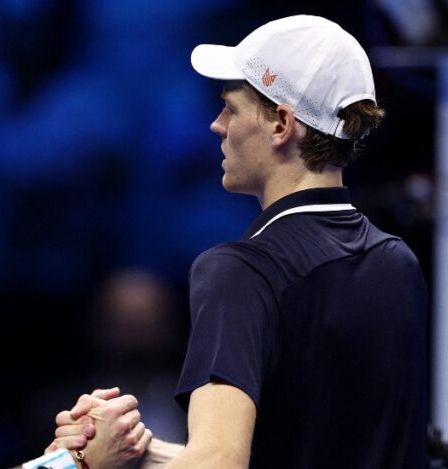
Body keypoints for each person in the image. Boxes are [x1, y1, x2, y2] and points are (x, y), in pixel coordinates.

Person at [51, 15, 428, 467]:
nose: (216, 125)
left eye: (230, 108)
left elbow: (219, 463)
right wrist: (138, 452)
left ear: (281, 125)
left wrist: (77, 464)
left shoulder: (240, 271)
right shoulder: (398, 262)